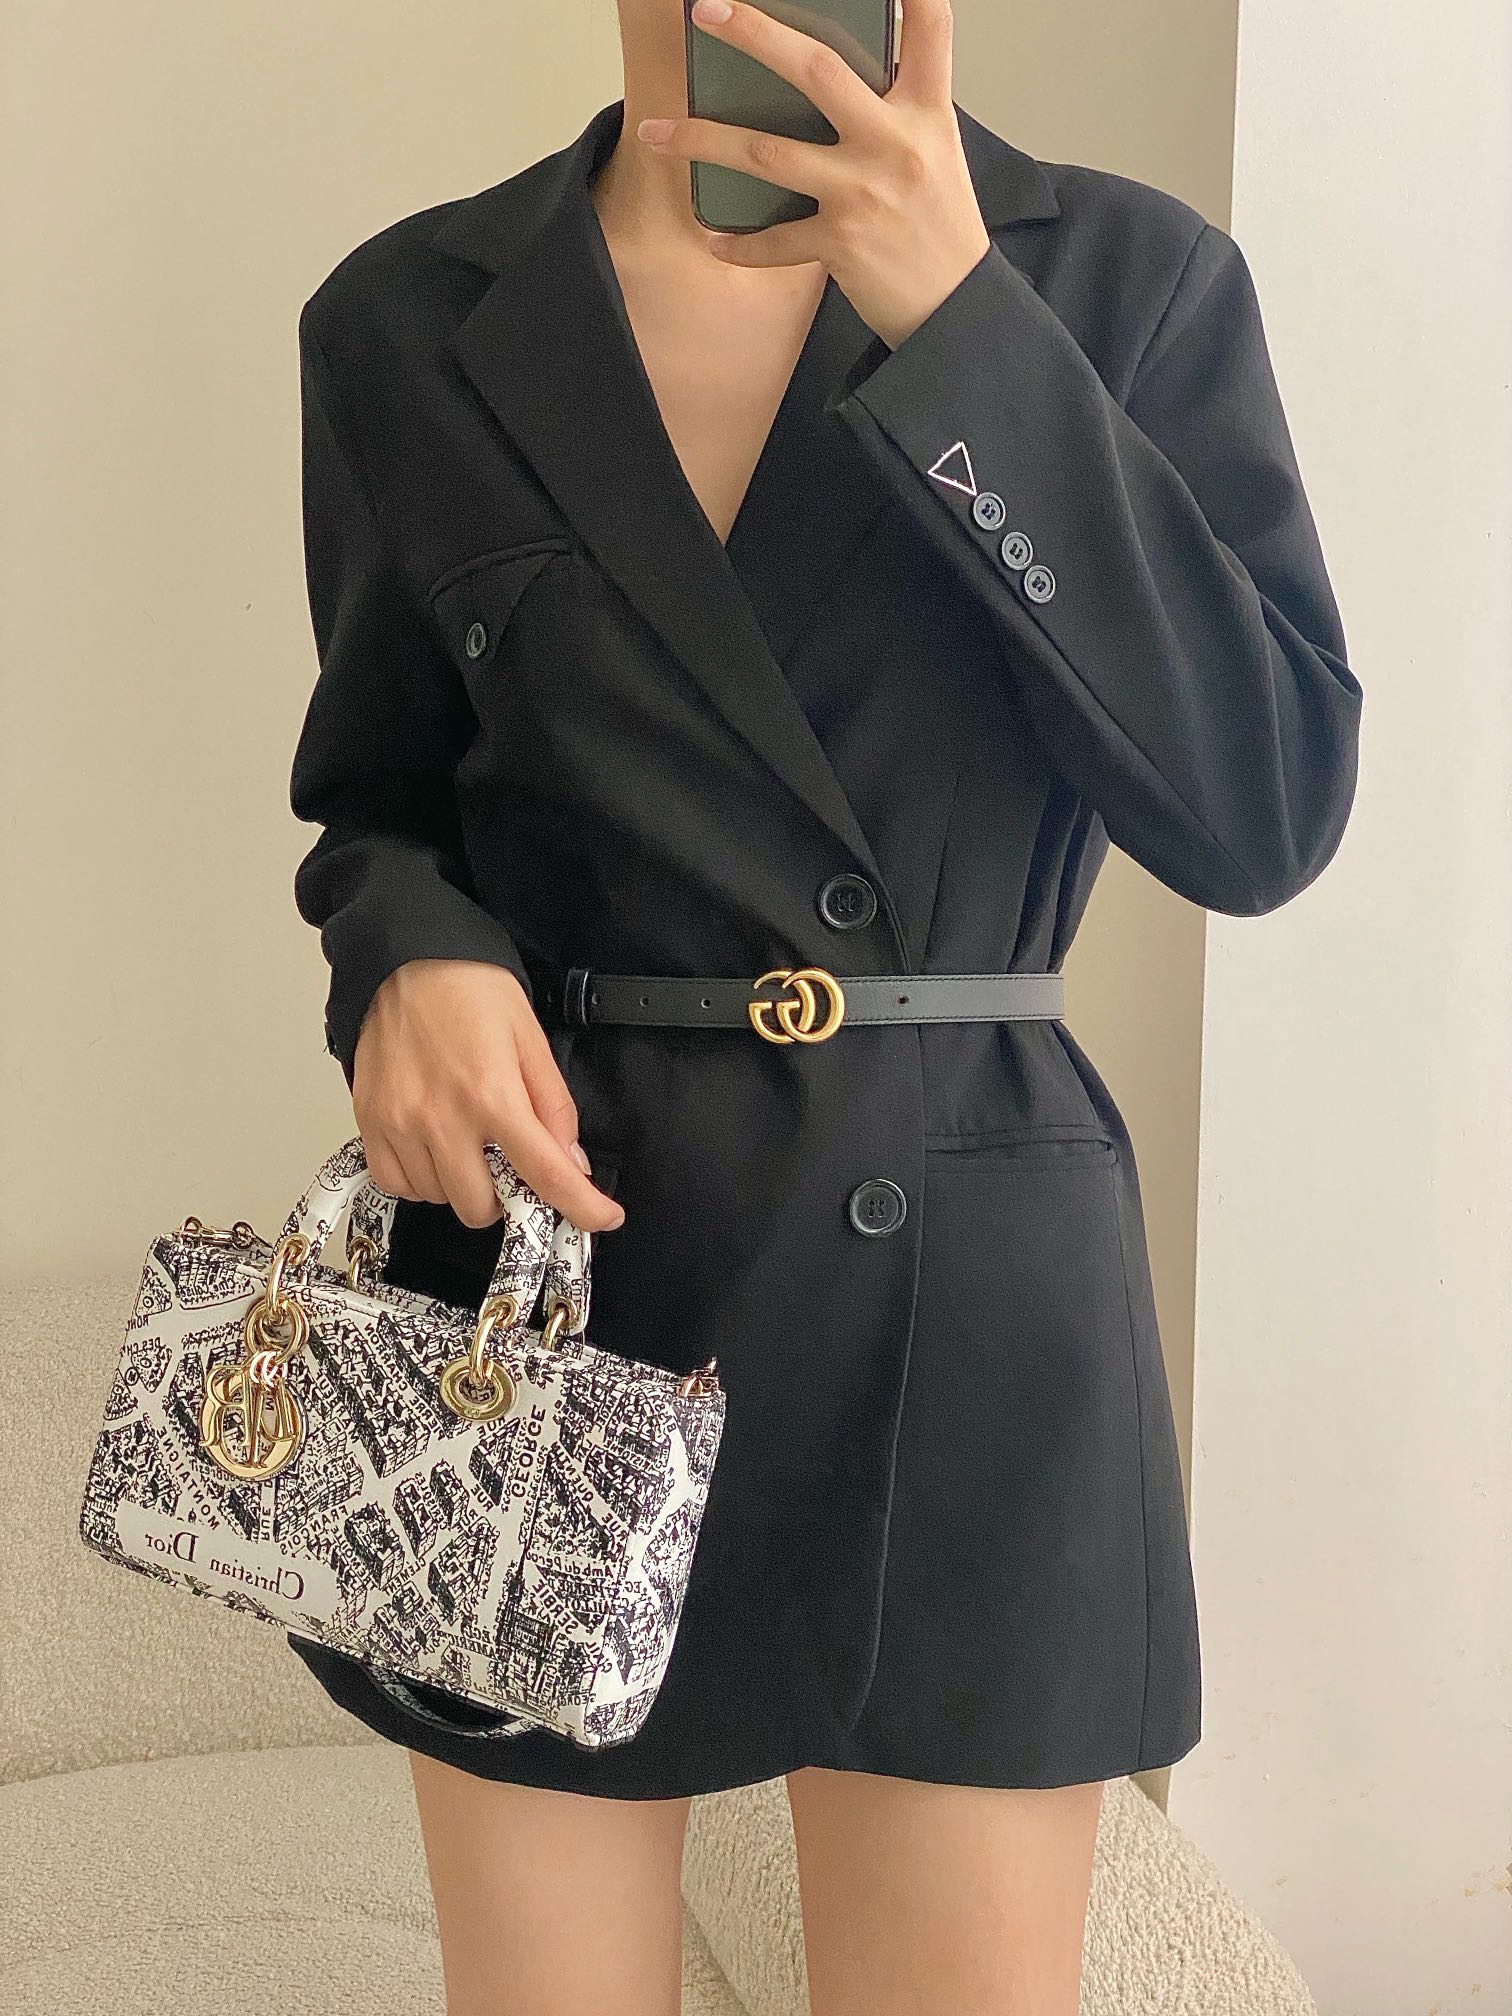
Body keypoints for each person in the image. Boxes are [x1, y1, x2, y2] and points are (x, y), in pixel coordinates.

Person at [283, 1, 1363, 2010]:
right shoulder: (409, 322)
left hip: (966, 1291)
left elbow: (1262, 804)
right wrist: (405, 954)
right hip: (558, 1288)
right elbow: (380, 798)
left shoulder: (1121, 286)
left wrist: (960, 324)